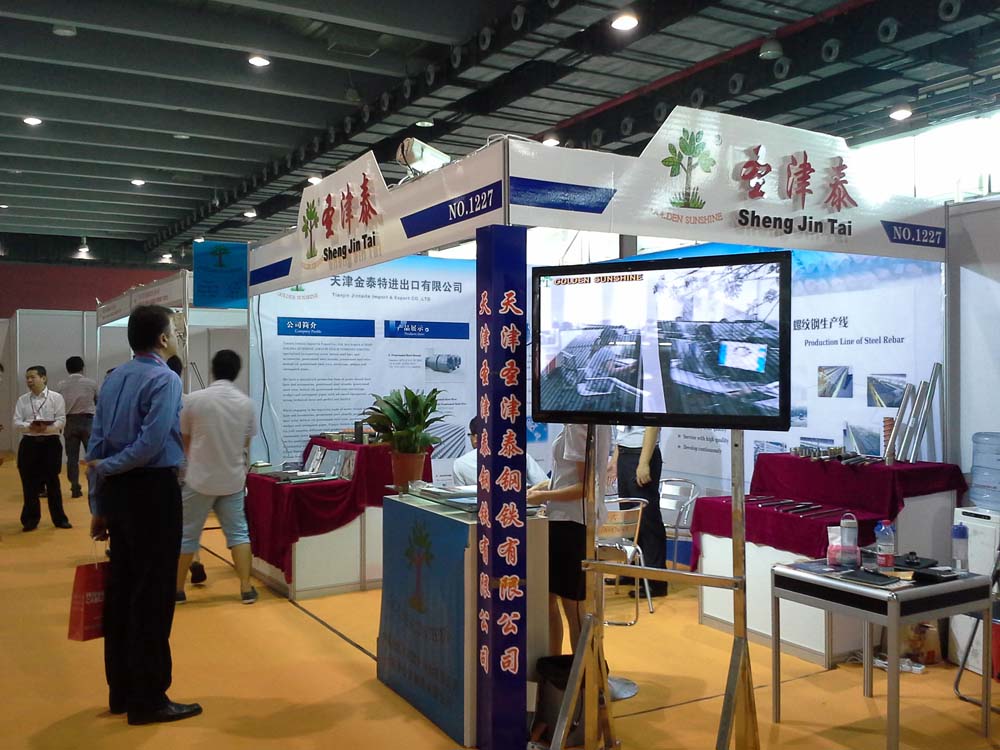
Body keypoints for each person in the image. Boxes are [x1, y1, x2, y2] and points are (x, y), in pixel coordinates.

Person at [87, 305, 202, 725]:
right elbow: (151, 443)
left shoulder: (115, 378)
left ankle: (122, 691)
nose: (178, 337)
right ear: (162, 339)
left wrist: (100, 500)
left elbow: (97, 443)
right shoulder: (165, 379)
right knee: (152, 596)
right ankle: (149, 698)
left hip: (119, 496)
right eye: (175, 331)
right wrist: (111, 468)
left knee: (122, 591)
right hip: (152, 492)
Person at [175, 349, 258, 604]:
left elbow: (185, 440)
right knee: (239, 533)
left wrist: (199, 460)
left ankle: (177, 590)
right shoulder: (246, 403)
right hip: (232, 479)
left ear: (212, 370)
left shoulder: (193, 400)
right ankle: (246, 588)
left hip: (199, 479)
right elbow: (245, 442)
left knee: (187, 534)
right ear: (237, 371)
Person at [527, 423, 612, 654]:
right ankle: (556, 664)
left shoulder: (578, 424)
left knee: (573, 607)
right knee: (551, 600)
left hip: (570, 522)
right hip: (567, 520)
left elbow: (584, 487)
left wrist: (542, 496)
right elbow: (569, 478)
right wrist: (541, 489)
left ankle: (583, 671)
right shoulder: (585, 422)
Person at [610, 426, 668, 597]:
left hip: (641, 455)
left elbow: (652, 426)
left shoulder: (650, 404)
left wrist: (643, 463)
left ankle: (655, 581)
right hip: (625, 453)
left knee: (647, 520)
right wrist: (615, 459)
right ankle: (632, 570)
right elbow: (623, 431)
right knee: (629, 518)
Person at [13, 365, 70, 531]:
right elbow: (16, 422)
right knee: (29, 484)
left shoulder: (56, 398)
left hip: (50, 443)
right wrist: (29, 427)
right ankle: (31, 519)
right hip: (29, 444)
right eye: (27, 378)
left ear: (43, 378)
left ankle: (59, 519)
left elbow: (61, 420)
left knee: (53, 482)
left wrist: (47, 428)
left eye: (33, 377)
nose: (29, 380)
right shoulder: (22, 400)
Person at [165, 355, 206, 584]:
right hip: (188, 465)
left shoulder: (156, 401)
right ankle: (195, 560)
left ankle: (175, 566)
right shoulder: (190, 402)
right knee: (187, 519)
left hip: (164, 467)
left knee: (166, 519)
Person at [453, 417, 547, 487]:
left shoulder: (460, 463)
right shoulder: (519, 455)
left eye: (470, 435)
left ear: (476, 438)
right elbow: (544, 484)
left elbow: (460, 499)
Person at [55, 356, 98, 498]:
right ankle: (94, 485)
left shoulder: (61, 385)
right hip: (88, 421)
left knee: (72, 457)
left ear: (67, 369)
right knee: (92, 455)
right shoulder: (91, 383)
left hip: (70, 422)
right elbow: (98, 401)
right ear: (82, 368)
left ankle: (74, 487)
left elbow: (58, 405)